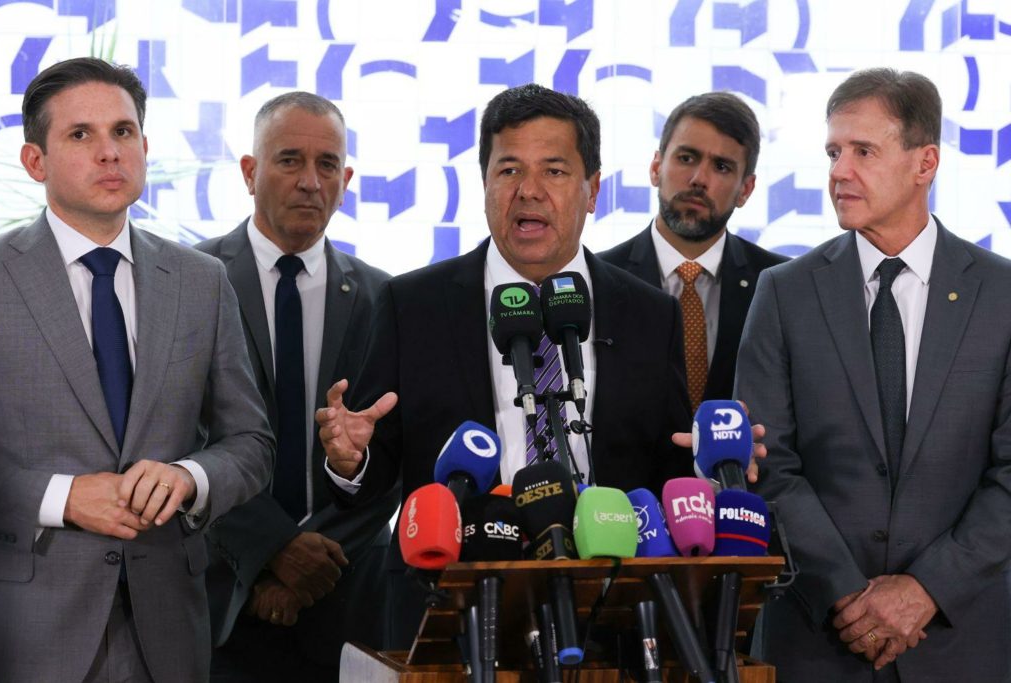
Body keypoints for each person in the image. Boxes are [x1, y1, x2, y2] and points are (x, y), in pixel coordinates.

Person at [317, 83, 695, 649]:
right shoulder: (413, 304)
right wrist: (351, 459)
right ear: (485, 184)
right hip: (447, 599)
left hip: (609, 604)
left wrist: (716, 469)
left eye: (554, 171)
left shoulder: (649, 313)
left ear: (593, 189)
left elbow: (669, 466)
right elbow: (374, 474)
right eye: (509, 170)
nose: (529, 191)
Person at [0, 57, 274, 683]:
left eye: (123, 131)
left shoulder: (201, 281)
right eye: (80, 134)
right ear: (35, 161)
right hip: (25, 632)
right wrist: (61, 498)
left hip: (168, 629)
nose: (109, 152)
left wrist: (190, 477)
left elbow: (251, 443)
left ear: (144, 145)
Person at [736, 68, 1011, 682]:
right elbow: (767, 463)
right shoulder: (783, 293)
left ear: (925, 163)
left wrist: (925, 590)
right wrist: (846, 596)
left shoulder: (1002, 294)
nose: (839, 171)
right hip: (816, 638)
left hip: (959, 644)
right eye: (833, 152)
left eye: (863, 151)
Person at [197, 92, 397, 683]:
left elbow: (395, 452)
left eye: (327, 164)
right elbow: (175, 436)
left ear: (345, 180)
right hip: (217, 592)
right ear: (249, 172)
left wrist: (308, 565)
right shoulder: (188, 282)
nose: (310, 181)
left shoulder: (386, 298)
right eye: (289, 160)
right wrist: (272, 551)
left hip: (349, 595)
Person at [600, 92, 787, 411]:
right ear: (656, 167)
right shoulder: (599, 280)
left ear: (746, 189)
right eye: (687, 158)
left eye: (722, 167)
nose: (699, 179)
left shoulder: (781, 287)